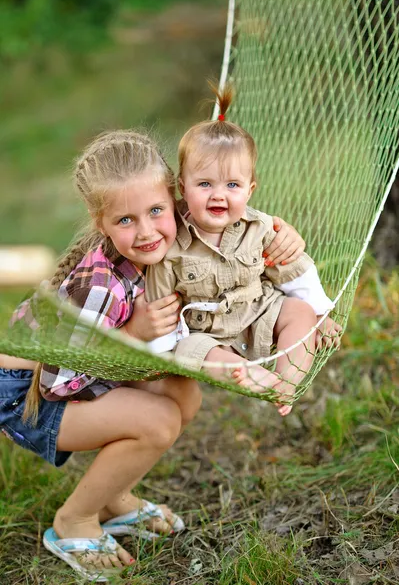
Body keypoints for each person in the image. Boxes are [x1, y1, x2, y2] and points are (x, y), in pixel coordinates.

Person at [0, 129, 305, 581]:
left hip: (76, 375)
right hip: (30, 395)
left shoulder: (182, 227)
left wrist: (285, 237)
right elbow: (56, 383)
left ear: (176, 199)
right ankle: (74, 521)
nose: (146, 231)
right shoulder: (99, 287)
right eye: (125, 220)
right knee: (157, 419)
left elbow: (236, 219)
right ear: (100, 220)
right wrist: (133, 334)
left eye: (156, 211)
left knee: (183, 396)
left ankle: (113, 496)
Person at [145, 87, 342, 416]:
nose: (218, 195)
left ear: (250, 190)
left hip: (260, 312)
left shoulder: (260, 228)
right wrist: (157, 353)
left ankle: (287, 382)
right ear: (183, 187)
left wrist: (319, 309)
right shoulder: (171, 245)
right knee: (192, 351)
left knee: (299, 314)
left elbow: (294, 268)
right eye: (205, 184)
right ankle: (254, 377)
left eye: (232, 186)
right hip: (208, 335)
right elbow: (159, 302)